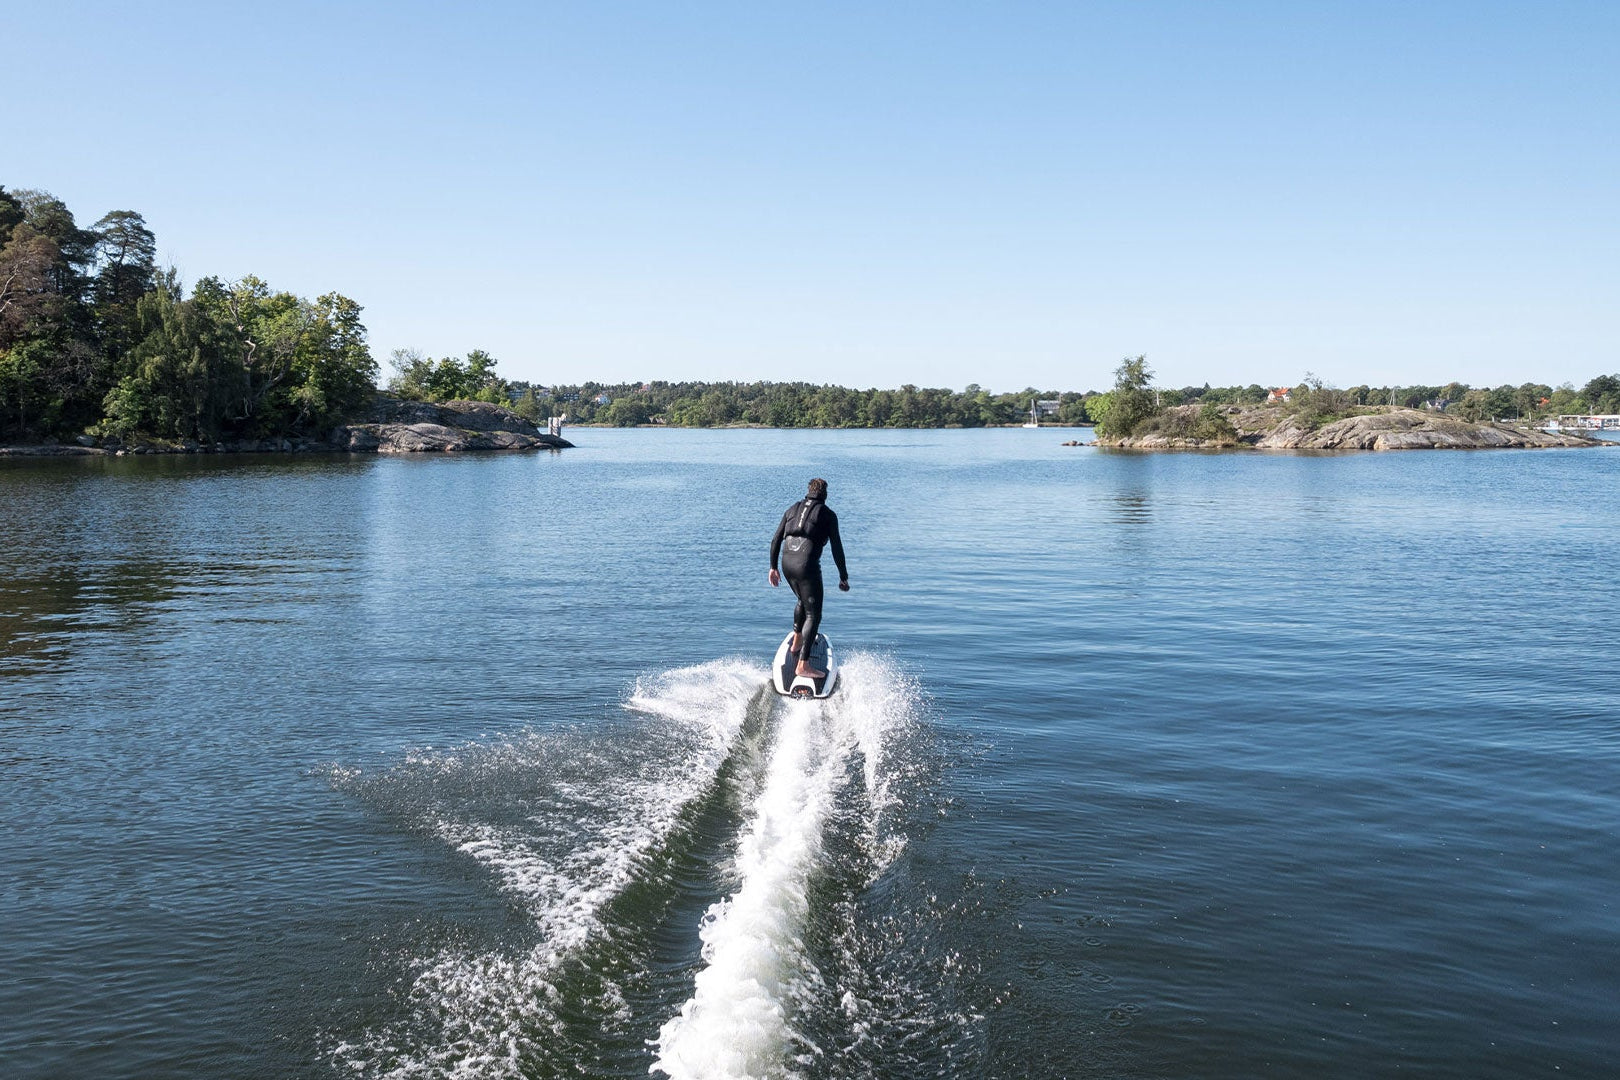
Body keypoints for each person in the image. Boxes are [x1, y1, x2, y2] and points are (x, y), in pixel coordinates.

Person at [768, 477, 850, 678]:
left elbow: (776, 539)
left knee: (802, 600)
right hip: (806, 567)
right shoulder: (828, 514)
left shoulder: (792, 509)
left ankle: (797, 642)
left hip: (787, 564)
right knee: (814, 615)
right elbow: (836, 547)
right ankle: (802, 666)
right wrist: (843, 577)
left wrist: (773, 567)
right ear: (825, 495)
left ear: (808, 491)